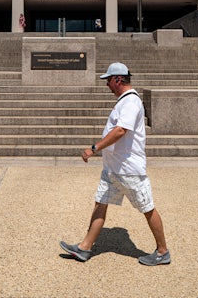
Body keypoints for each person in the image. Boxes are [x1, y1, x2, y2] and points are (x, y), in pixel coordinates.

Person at [60, 62, 170, 266]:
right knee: (100, 203)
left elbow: (121, 131)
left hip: (128, 170)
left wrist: (95, 148)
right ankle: (84, 248)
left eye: (109, 80)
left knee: (147, 208)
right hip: (113, 168)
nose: (107, 85)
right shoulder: (124, 101)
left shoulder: (130, 102)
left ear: (118, 79)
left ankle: (162, 252)